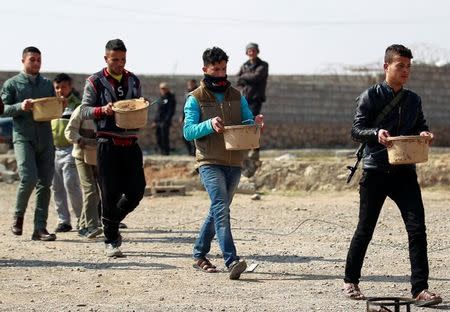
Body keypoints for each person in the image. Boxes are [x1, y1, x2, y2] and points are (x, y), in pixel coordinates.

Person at [343, 44, 442, 307]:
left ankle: (420, 289)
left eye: (409, 66)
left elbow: (420, 125)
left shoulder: (413, 99)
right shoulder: (370, 96)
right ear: (386, 66)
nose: (406, 71)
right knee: (365, 229)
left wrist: (424, 135)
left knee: (417, 229)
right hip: (375, 171)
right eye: (401, 66)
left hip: (405, 171)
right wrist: (376, 133)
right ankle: (351, 281)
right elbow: (356, 130)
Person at [184, 47, 264, 280]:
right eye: (215, 69)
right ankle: (232, 260)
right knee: (220, 207)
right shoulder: (195, 98)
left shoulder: (236, 95)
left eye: (223, 69)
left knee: (218, 209)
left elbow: (247, 120)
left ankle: (199, 253)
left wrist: (255, 123)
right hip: (209, 161)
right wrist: (209, 124)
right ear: (205, 69)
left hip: (234, 161)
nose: (220, 73)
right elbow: (188, 131)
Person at [80, 39, 146, 257]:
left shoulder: (133, 80)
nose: (119, 63)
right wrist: (102, 110)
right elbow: (84, 111)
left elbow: (136, 104)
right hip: (107, 144)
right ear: (106, 58)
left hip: (131, 143)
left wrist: (141, 104)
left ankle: (111, 221)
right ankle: (111, 239)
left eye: (123, 59)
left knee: (136, 191)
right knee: (109, 193)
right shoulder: (94, 82)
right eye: (115, 59)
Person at [1, 46, 58, 241]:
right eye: (32, 60)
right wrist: (20, 106)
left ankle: (40, 228)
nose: (36, 63)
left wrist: (59, 105)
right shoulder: (12, 84)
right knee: (28, 178)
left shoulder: (47, 84)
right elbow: (3, 109)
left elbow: (51, 107)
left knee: (45, 184)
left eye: (38, 60)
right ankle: (18, 216)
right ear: (23, 60)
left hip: (45, 137)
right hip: (23, 137)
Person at [65, 104, 103, 239]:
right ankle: (90, 226)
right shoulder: (81, 110)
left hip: (97, 155)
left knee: (97, 193)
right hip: (82, 155)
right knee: (90, 190)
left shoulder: (105, 110)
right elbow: (69, 132)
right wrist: (81, 140)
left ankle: (82, 225)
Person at [51, 73, 83, 233]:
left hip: (71, 149)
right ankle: (63, 220)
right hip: (54, 149)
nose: (60, 90)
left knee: (71, 184)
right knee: (56, 187)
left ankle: (81, 219)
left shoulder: (77, 105)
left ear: (70, 86)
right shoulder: (50, 104)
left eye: (63, 87)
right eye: (57, 87)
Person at [236, 42, 268, 178]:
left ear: (257, 51)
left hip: (256, 98)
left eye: (253, 50)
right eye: (249, 50)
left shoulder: (263, 65)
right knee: (245, 123)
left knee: (254, 123)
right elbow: (238, 79)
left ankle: (255, 149)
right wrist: (246, 77)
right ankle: (246, 148)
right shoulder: (245, 65)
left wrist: (245, 77)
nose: (251, 52)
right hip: (245, 98)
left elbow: (257, 77)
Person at [152, 82, 176, 155]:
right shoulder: (160, 98)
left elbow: (171, 111)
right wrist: (155, 121)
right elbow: (158, 111)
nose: (163, 90)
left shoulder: (171, 98)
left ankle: (166, 151)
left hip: (165, 121)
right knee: (158, 135)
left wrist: (166, 121)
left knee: (164, 136)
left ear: (167, 89)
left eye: (164, 88)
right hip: (159, 121)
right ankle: (161, 150)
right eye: (162, 89)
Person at [180, 79, 197, 156]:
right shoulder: (187, 93)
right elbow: (185, 106)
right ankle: (190, 152)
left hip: (195, 116)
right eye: (188, 84)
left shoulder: (197, 92)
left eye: (191, 84)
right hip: (187, 116)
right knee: (184, 136)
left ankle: (194, 152)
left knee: (194, 137)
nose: (189, 85)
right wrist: (182, 116)